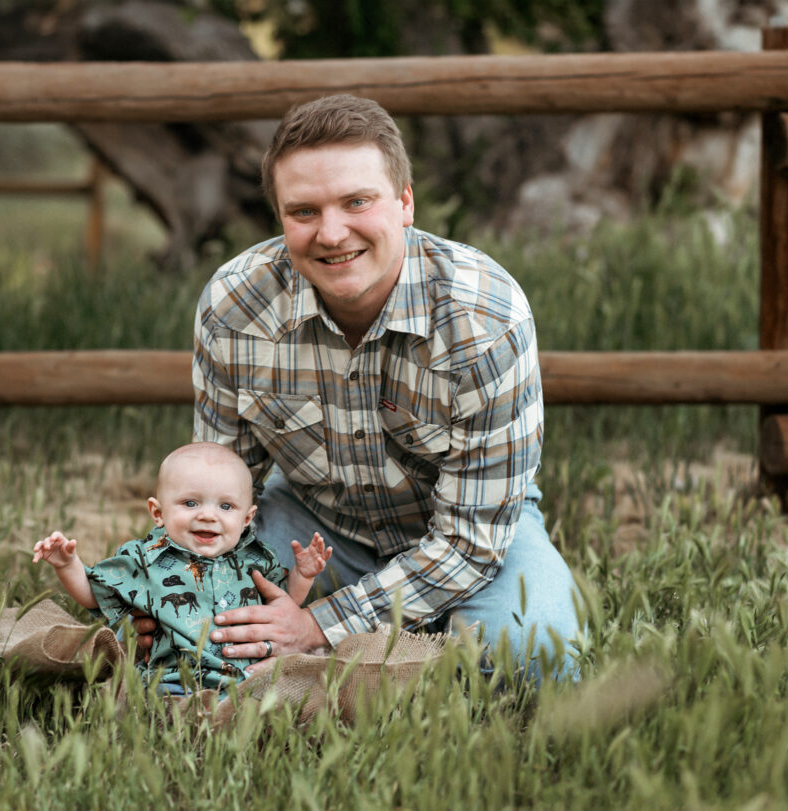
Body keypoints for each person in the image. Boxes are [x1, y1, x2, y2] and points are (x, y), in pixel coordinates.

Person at [191, 93, 581, 683]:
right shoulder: (234, 306)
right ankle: (390, 654)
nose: (331, 232)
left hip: (467, 535)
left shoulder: (485, 317)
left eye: (356, 202)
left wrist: (320, 624)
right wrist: (169, 584)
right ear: (280, 217)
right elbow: (215, 489)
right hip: (312, 526)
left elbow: (472, 544)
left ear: (404, 202)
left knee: (537, 657)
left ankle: (371, 647)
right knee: (195, 634)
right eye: (303, 212)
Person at [32, 441, 332, 691]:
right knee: (164, 705)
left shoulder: (256, 559)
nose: (208, 516)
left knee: (286, 695)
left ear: (247, 519)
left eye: (225, 506)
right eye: (191, 503)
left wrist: (302, 576)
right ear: (157, 512)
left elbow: (282, 606)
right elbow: (93, 594)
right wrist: (68, 564)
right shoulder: (145, 559)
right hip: (174, 680)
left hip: (248, 679)